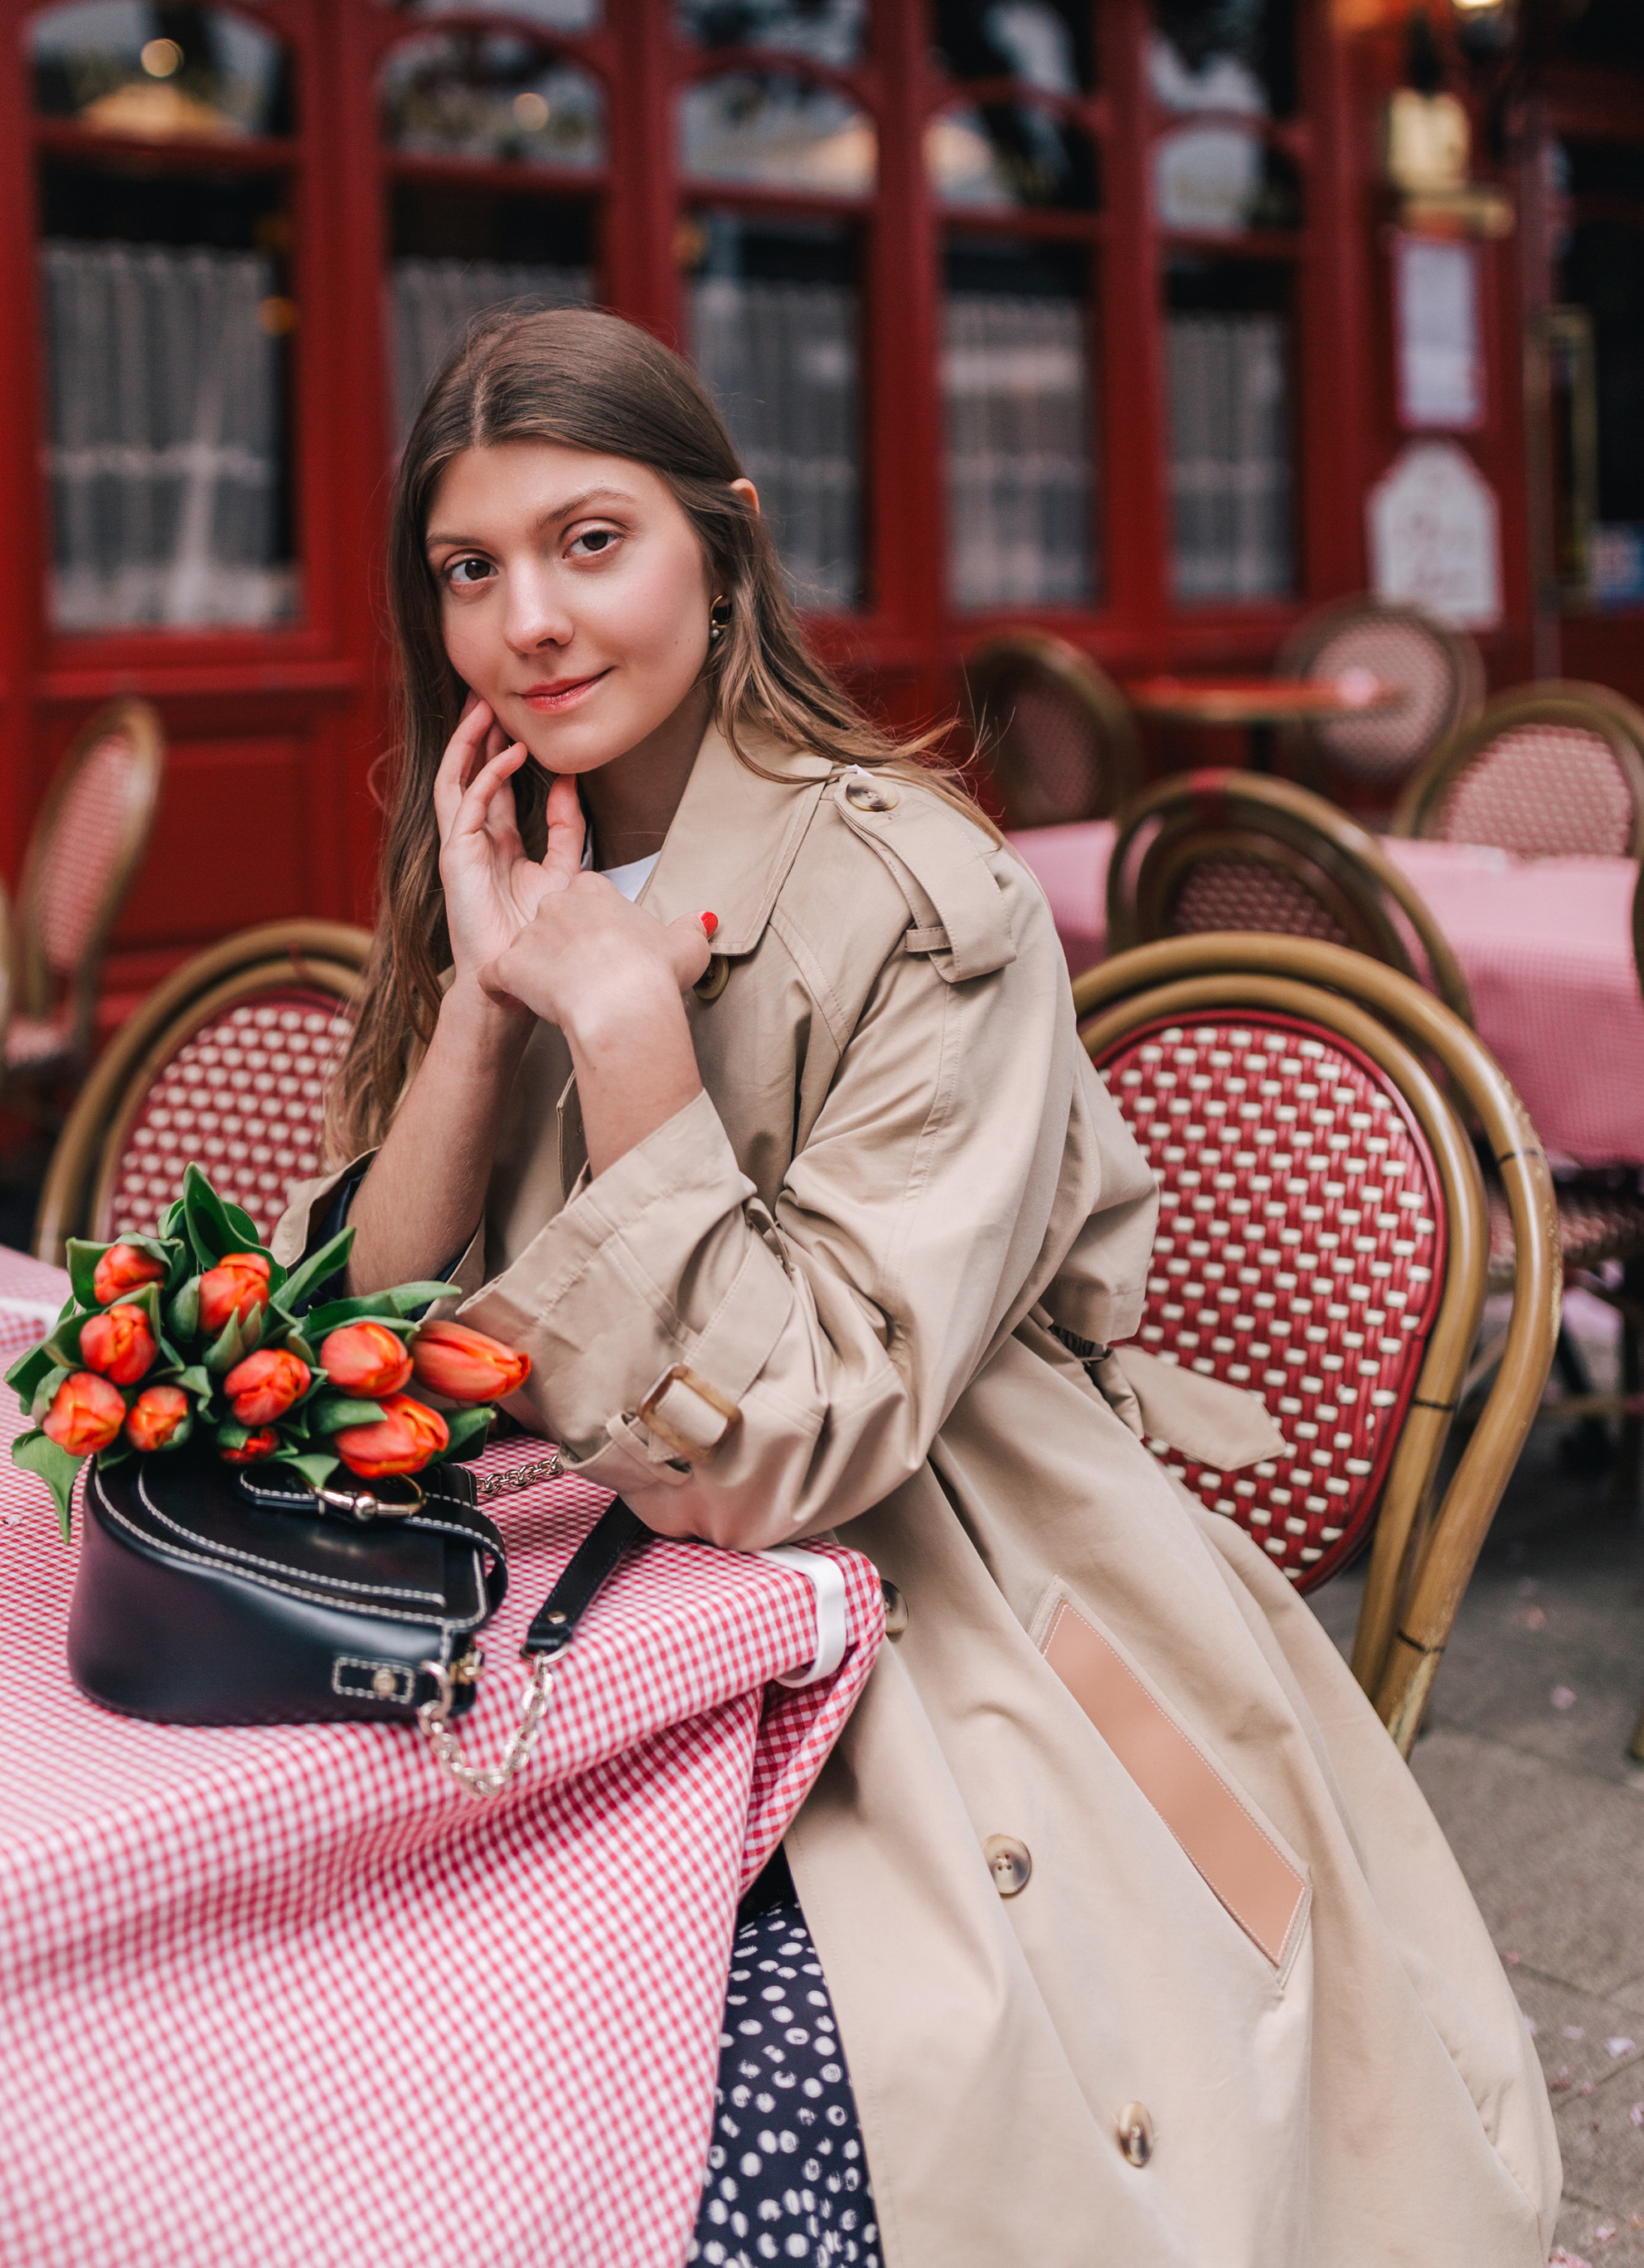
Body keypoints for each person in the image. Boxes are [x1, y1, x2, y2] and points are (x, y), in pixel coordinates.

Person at [274, 305, 1559, 2268]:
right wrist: (470, 1015)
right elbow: (357, 1351)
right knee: (334, 2037)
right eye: (470, 569)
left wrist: (628, 1047)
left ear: (725, 549)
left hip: (949, 1630)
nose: (526, 619)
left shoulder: (918, 900)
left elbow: (791, 1445)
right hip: (589, 1624)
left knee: (671, 2139)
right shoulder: (517, 860)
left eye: (589, 541)